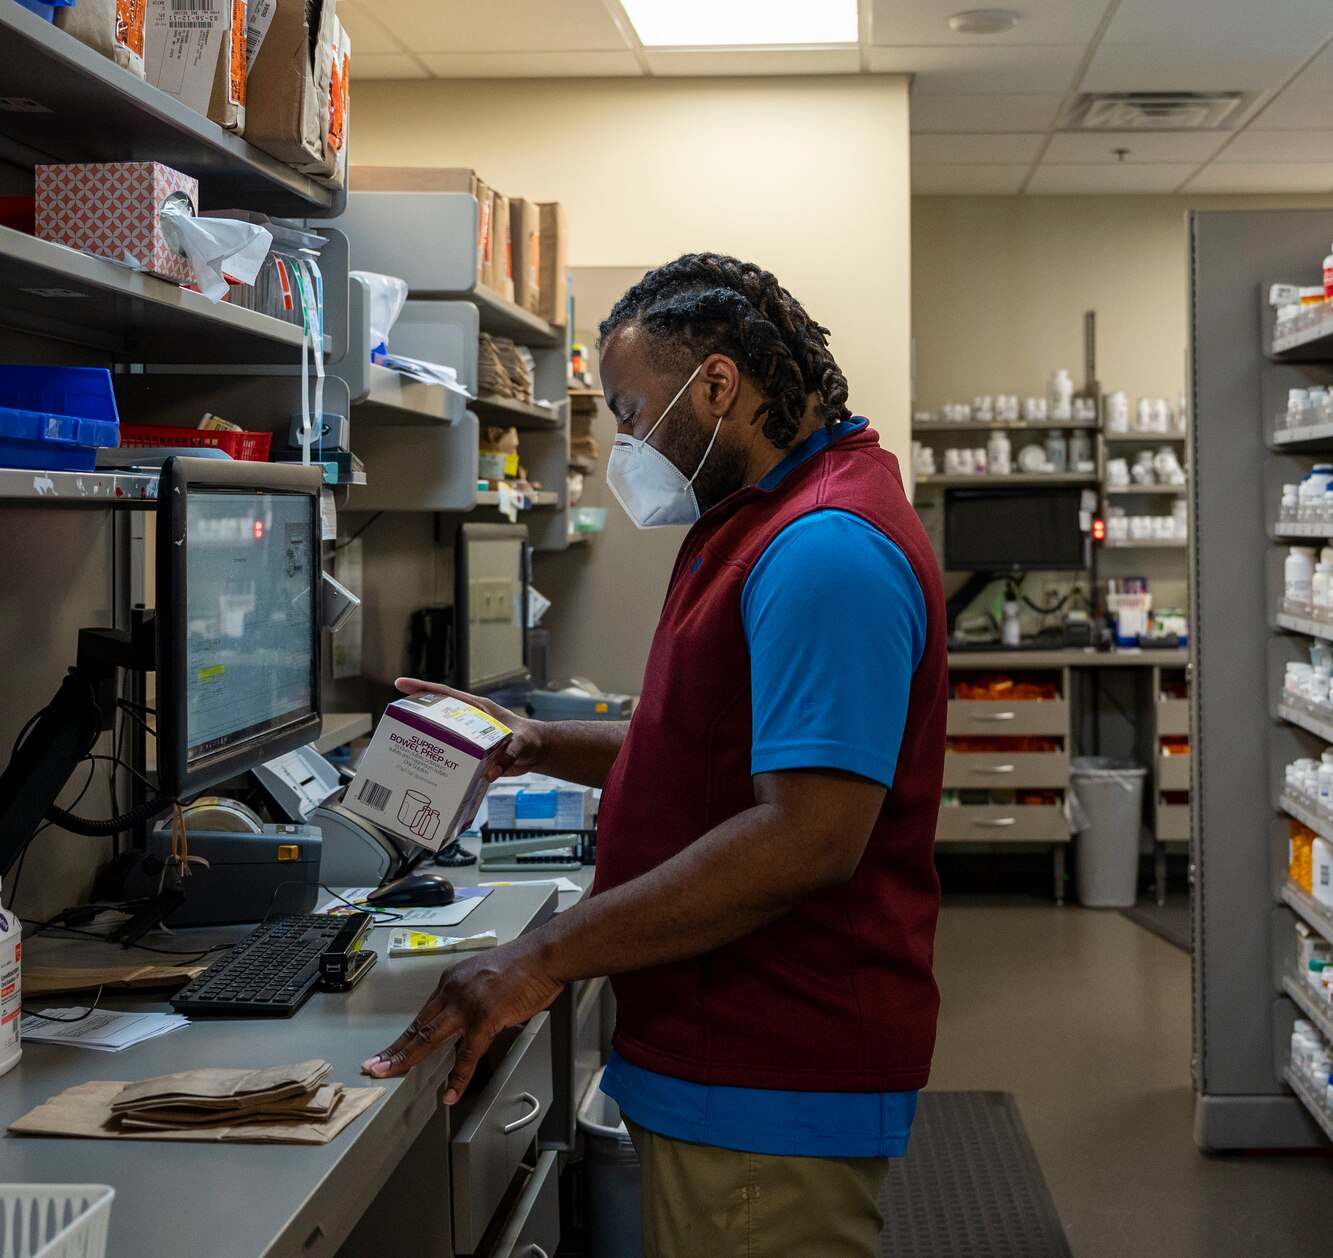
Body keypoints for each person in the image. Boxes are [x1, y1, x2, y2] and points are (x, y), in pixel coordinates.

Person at [363, 253, 948, 1257]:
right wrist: (537, 742)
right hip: (726, 1049)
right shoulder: (761, 518)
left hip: (771, 1065)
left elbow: (805, 836)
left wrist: (540, 956)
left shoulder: (826, 550)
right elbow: (717, 748)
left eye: (629, 412)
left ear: (716, 385)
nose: (622, 445)